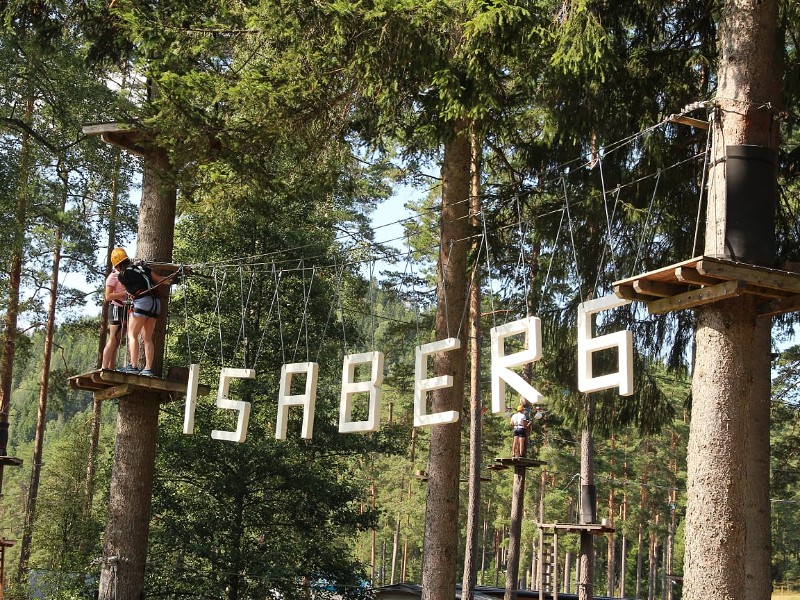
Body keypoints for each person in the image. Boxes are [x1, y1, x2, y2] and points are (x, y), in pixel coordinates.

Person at [110, 247, 169, 377]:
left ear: (118, 266)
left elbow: (129, 292)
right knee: (147, 338)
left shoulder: (122, 276)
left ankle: (133, 366)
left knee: (132, 334)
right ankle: (148, 369)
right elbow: (161, 279)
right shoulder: (144, 269)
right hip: (156, 302)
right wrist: (172, 279)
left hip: (142, 302)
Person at [101, 263, 129, 370]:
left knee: (118, 340)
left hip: (126, 308)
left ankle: (111, 367)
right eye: (122, 265)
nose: (124, 266)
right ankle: (104, 367)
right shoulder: (113, 276)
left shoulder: (126, 276)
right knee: (112, 339)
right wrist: (124, 293)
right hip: (116, 307)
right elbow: (108, 296)